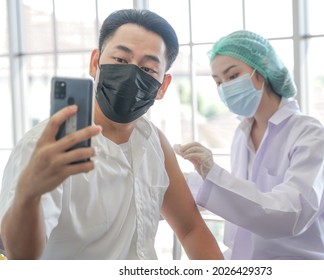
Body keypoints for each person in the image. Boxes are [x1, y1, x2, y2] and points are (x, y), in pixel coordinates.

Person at [0, 9, 223, 260]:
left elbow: (191, 229)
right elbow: (20, 256)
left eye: (148, 69)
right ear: (95, 63)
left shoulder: (153, 141)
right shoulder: (46, 147)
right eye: (119, 60)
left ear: (163, 86)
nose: (131, 74)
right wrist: (29, 194)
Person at [174, 30, 324, 260]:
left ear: (261, 71)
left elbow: (291, 214)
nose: (225, 88)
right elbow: (242, 199)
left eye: (232, 76)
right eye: (218, 82)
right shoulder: (242, 134)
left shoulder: (309, 133)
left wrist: (213, 175)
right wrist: (181, 181)